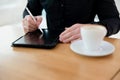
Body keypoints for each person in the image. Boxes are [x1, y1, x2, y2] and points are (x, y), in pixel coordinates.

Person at [22, 0, 120, 43]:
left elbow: (114, 20)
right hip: (48, 47)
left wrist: (90, 29)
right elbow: (29, 10)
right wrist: (29, 20)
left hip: (84, 46)